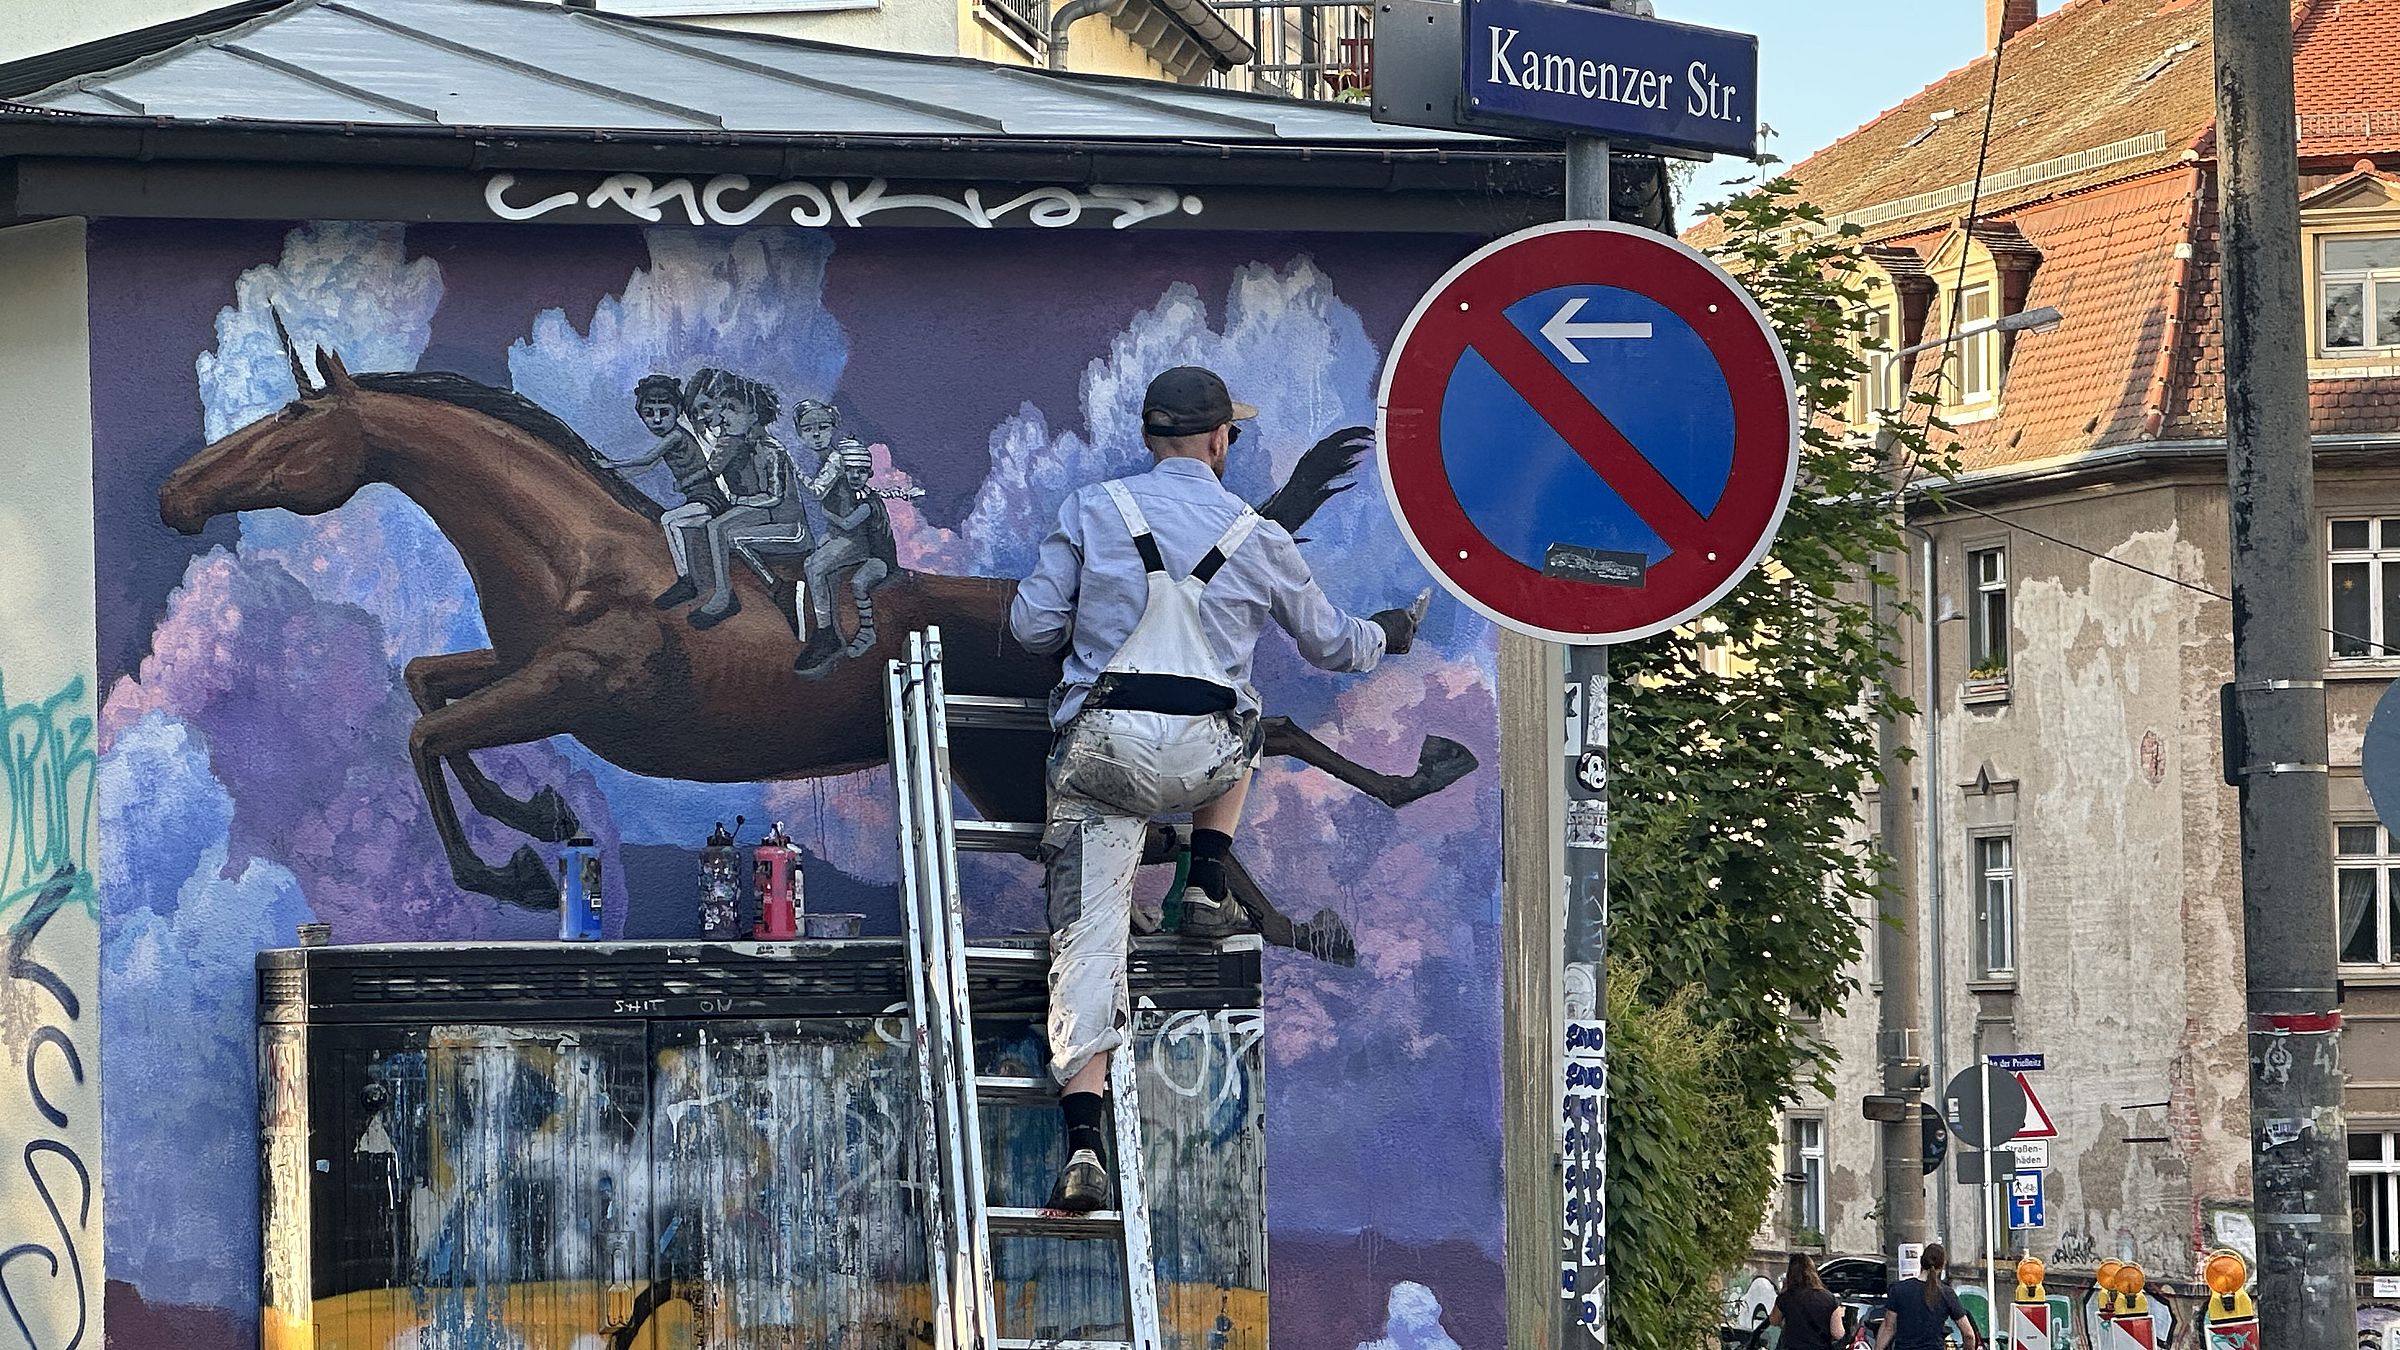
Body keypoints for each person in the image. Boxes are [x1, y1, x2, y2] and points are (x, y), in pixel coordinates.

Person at [1008, 365, 1424, 1212]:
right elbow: (1335, 647)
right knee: (1248, 720)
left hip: (1105, 753)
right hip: (1207, 753)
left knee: (1087, 944)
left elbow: (1029, 627)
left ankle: (1084, 1144)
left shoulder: (1093, 509)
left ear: (1150, 438)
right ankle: (1206, 875)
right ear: (1218, 440)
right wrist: (1390, 632)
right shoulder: (1257, 533)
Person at [686, 370, 801, 630]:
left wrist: (738, 500)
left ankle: (724, 596)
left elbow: (773, 498)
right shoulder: (749, 445)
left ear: (754, 416)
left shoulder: (771, 450)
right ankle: (775, 588)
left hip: (788, 526)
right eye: (723, 408)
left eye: (732, 409)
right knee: (724, 531)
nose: (723, 415)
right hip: (766, 516)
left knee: (719, 528)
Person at [1873, 1244, 1978, 1350]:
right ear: (1942, 1266)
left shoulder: (1898, 1289)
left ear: (1921, 1262)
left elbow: (1888, 1327)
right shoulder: (1947, 1294)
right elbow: (1969, 1335)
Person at [1771, 1253, 1844, 1350]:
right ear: (1813, 1272)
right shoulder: (1830, 1299)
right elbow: (1838, 1333)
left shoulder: (1786, 1298)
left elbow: (1773, 1320)